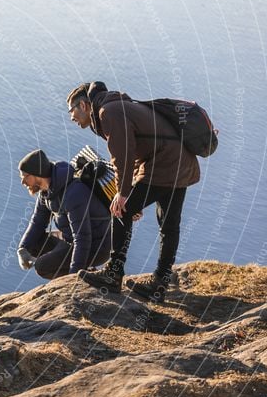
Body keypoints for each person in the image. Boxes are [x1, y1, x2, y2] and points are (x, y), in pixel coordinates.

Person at [66, 81, 200, 302]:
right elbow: (137, 152)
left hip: (163, 164)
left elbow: (123, 156)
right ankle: (159, 284)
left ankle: (113, 274)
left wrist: (123, 193)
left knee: (120, 211)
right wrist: (132, 192)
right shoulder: (118, 107)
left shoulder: (108, 112)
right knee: (169, 224)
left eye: (71, 110)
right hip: (180, 163)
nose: (71, 117)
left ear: (83, 105)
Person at [17, 149, 111, 279]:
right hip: (70, 239)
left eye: (25, 176)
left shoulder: (74, 193)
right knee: (33, 245)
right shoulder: (46, 192)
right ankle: (85, 269)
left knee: (42, 267)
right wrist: (23, 249)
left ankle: (84, 276)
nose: (22, 182)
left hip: (96, 247)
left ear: (37, 174)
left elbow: (83, 237)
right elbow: (38, 222)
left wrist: (73, 276)